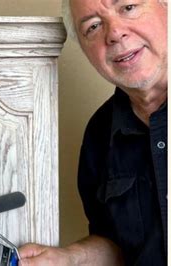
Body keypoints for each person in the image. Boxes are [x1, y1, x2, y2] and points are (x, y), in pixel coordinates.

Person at [19, 0, 167, 265]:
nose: (114, 33)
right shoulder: (99, 134)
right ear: (85, 50)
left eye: (128, 8)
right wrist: (69, 258)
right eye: (93, 26)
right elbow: (117, 245)